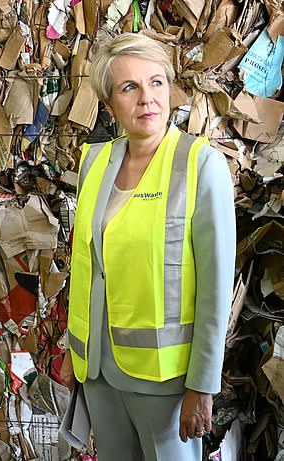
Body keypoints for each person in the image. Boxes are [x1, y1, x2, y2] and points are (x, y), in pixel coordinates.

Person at [62, 33, 235, 460]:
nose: (147, 99)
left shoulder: (201, 166)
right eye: (129, 88)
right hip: (100, 373)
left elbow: (216, 289)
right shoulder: (94, 162)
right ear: (108, 105)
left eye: (156, 83)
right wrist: (74, 351)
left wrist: (203, 385)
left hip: (166, 382)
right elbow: (87, 266)